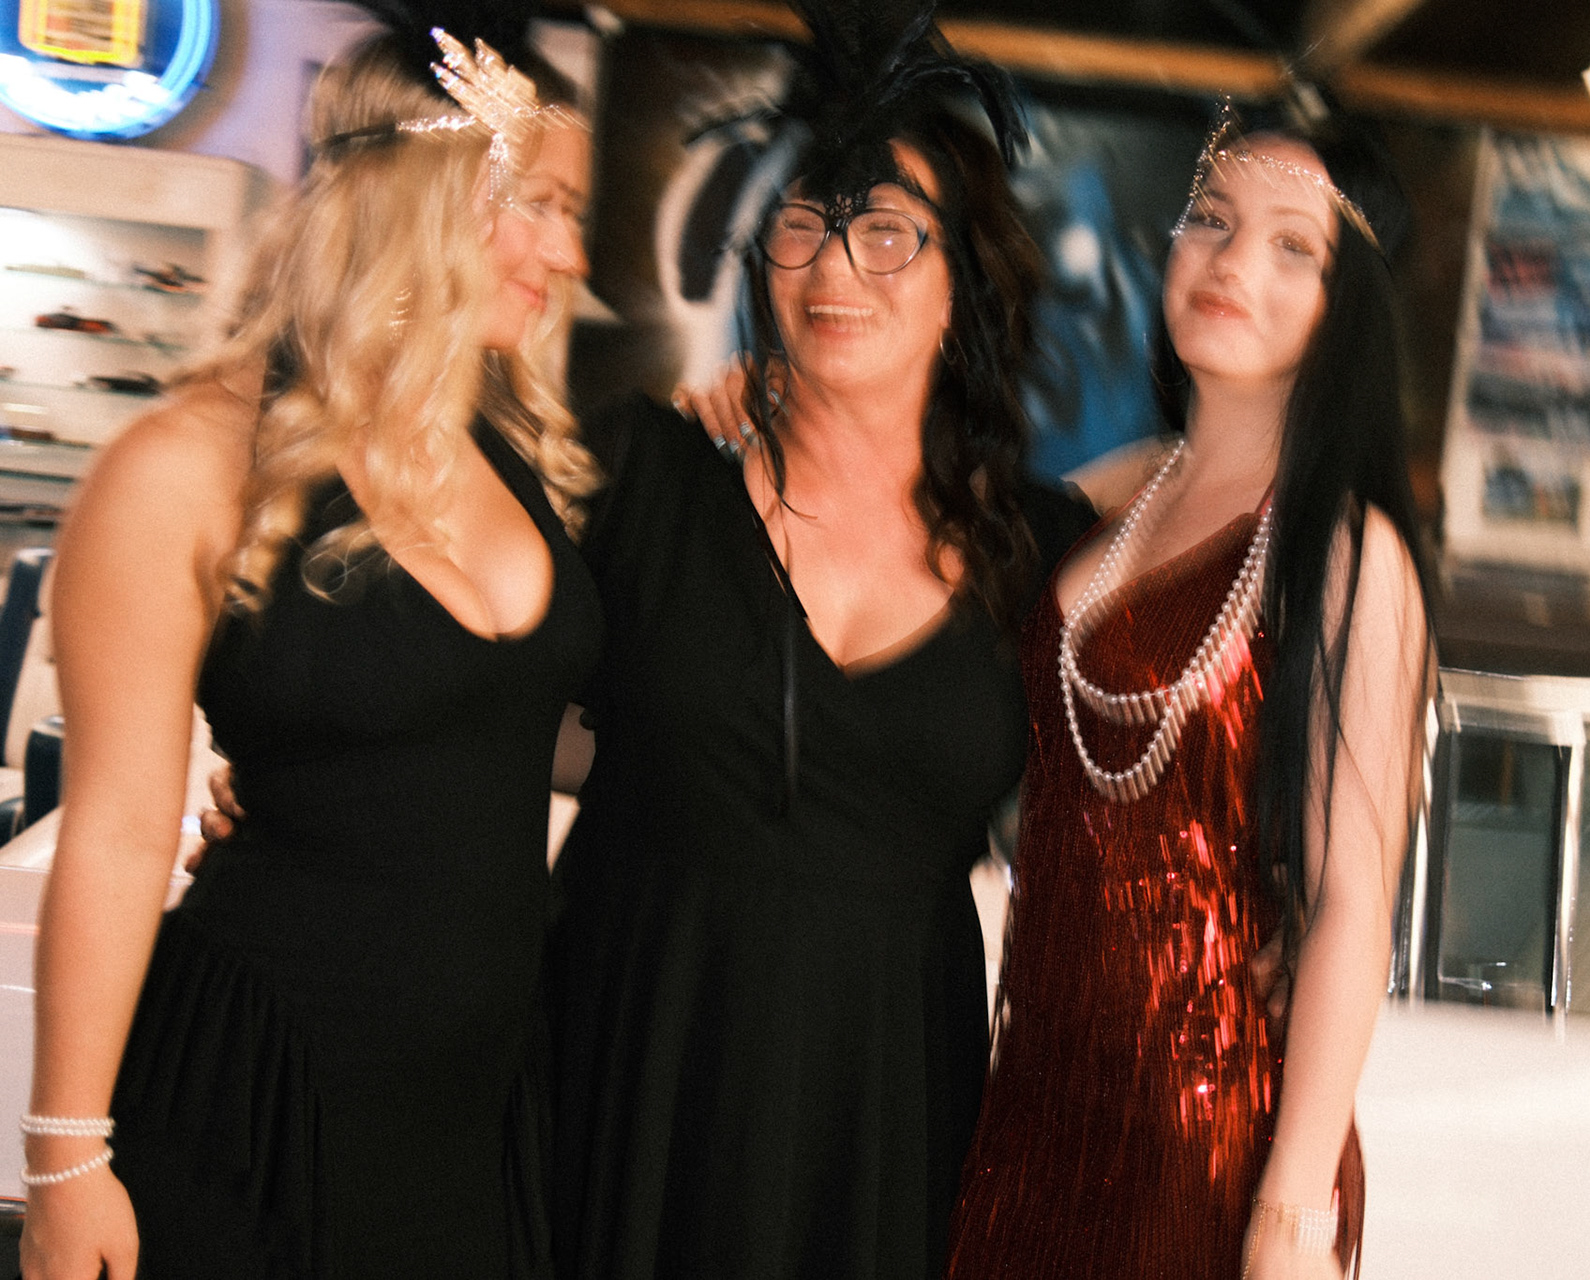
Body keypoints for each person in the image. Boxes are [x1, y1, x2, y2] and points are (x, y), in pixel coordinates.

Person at [20, 24, 600, 1280]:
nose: (570, 254)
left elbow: (477, 734)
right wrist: (65, 1157)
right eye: (543, 205)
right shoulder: (184, 466)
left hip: (473, 1116)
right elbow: (115, 833)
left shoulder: (506, 447)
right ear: (433, 194)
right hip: (257, 1106)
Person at [541, 7, 1094, 1278]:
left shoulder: (1041, 549)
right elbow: (460, 665)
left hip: (884, 1097)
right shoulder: (643, 475)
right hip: (633, 1057)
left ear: (965, 283)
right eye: (804, 222)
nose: (836, 266)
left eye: (887, 230)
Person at [945, 104, 1433, 1280]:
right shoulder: (1115, 495)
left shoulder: (1348, 552)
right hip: (1034, 1104)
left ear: (1346, 305)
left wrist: (1289, 1213)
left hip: (1207, 1139)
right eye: (1210, 219)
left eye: (1291, 245)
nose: (1231, 262)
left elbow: (1353, 903)